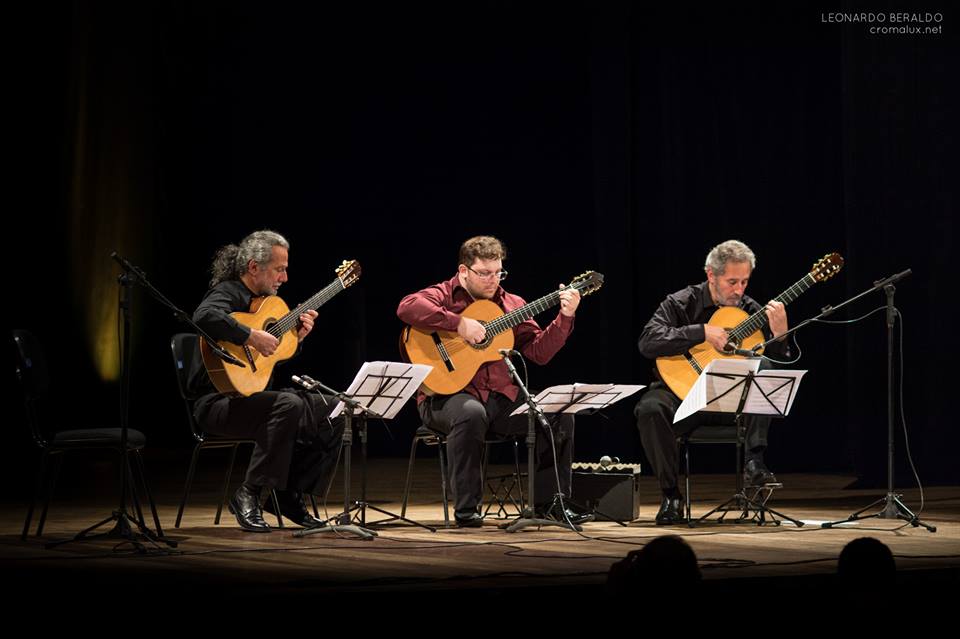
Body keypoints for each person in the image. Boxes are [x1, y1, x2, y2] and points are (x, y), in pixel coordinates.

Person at [397, 235, 588, 527]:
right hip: (445, 397)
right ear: (464, 271)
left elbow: (538, 353)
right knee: (471, 413)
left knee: (557, 411)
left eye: (498, 272)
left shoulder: (513, 304)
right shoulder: (444, 295)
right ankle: (467, 509)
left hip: (500, 398)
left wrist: (565, 316)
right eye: (484, 273)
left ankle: (550, 503)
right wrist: (459, 324)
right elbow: (407, 307)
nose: (493, 280)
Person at [188, 230, 345, 532]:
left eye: (285, 269)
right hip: (216, 403)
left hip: (256, 400)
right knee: (288, 403)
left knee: (335, 408)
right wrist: (249, 335)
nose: (284, 277)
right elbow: (203, 316)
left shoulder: (269, 306)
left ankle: (287, 494)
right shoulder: (229, 293)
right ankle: (249, 492)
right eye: (279, 268)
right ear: (253, 267)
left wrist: (297, 338)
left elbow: (271, 356)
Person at [634, 239, 791, 525]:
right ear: (711, 275)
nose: (739, 290)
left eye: (744, 281)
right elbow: (647, 342)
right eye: (732, 281)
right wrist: (701, 332)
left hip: (731, 405)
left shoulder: (750, 311)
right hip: (683, 400)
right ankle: (671, 495)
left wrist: (780, 336)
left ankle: (754, 461)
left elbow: (779, 366)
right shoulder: (681, 302)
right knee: (650, 408)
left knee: (765, 367)